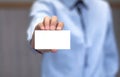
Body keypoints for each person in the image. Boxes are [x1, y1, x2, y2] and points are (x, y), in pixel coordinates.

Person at [27, 0, 119, 77]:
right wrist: (40, 37)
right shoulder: (48, 4)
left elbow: (110, 56)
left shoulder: (102, 8)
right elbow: (37, 34)